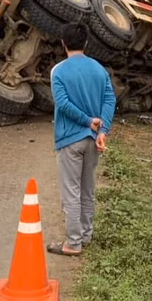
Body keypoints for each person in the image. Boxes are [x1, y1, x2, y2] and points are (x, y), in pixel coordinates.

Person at [48, 22, 116, 257]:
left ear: (63, 43)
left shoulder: (59, 70)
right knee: (87, 189)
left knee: (71, 191)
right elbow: (109, 100)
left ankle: (73, 243)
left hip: (69, 138)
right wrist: (102, 129)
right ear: (86, 43)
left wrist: (87, 121)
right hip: (94, 139)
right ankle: (85, 234)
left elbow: (62, 103)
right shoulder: (99, 69)